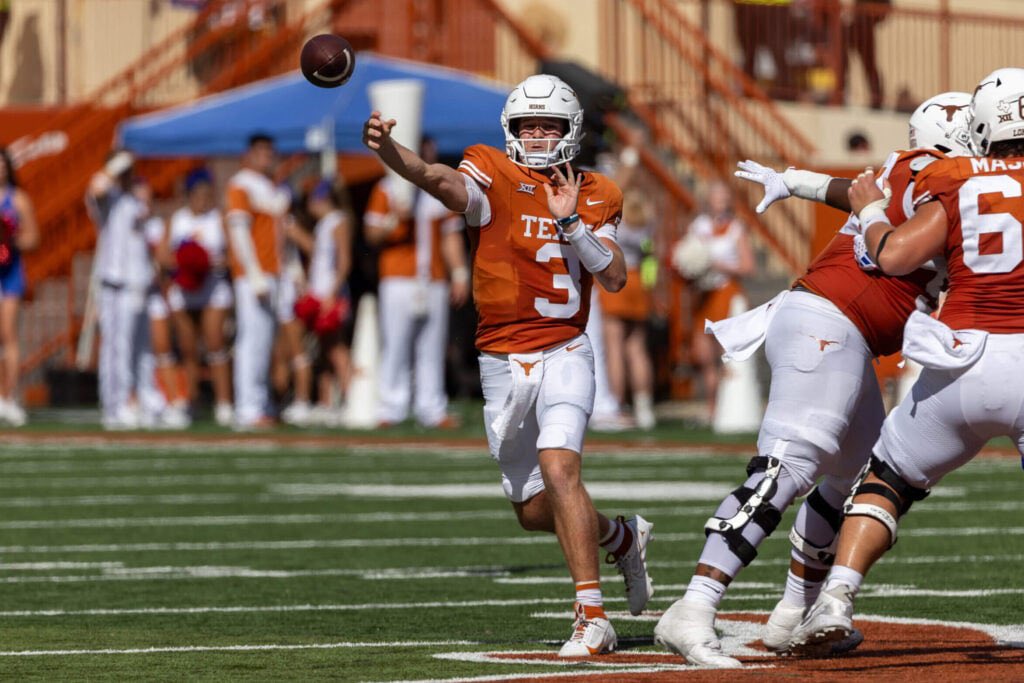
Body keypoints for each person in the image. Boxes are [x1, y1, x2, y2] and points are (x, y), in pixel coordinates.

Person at [653, 91, 973, 667]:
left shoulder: (910, 174)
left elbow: (848, 191)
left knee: (861, 475)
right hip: (831, 322)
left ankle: (790, 615)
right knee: (788, 467)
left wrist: (795, 179)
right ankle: (694, 606)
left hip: (836, 326)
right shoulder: (942, 176)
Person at [362, 74, 654, 656]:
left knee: (560, 469)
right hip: (500, 355)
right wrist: (393, 153)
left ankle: (591, 616)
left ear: (572, 131)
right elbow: (440, 181)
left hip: (565, 348)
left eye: (549, 125)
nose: (538, 136)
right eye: (528, 126)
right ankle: (620, 536)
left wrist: (570, 222)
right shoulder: (490, 169)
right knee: (529, 510)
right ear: (510, 131)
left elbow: (616, 277)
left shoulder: (598, 191)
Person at [790, 69, 1024, 654]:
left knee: (887, 478)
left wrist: (870, 209)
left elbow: (893, 257)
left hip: (962, 360)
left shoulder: (955, 176)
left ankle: (836, 597)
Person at [363, 137, 468, 429]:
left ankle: (432, 408)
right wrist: (393, 220)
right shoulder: (386, 188)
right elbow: (371, 235)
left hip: (433, 279)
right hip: (398, 279)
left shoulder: (439, 191)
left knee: (431, 347)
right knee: (396, 344)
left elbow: (450, 236)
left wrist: (459, 272)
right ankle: (391, 407)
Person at [85, 157, 164, 430]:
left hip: (139, 284)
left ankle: (145, 400)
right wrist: (114, 164)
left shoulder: (133, 200)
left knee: (142, 348)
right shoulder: (110, 198)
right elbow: (96, 188)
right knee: (116, 348)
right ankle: (115, 405)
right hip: (115, 286)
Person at [225, 133, 290, 430]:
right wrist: (252, 273)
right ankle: (248, 406)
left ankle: (260, 402)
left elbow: (280, 236)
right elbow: (238, 232)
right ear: (250, 154)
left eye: (270, 152)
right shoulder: (241, 184)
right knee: (252, 341)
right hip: (256, 274)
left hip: (273, 271)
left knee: (264, 342)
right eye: (262, 152)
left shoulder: (271, 186)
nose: (268, 157)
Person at [162, 167, 234, 426]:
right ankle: (192, 400)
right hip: (185, 289)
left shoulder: (218, 218)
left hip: (212, 288)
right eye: (198, 195)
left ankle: (224, 402)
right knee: (189, 349)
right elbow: (163, 256)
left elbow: (231, 254)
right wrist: (184, 262)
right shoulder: (177, 220)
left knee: (215, 345)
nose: (203, 200)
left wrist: (213, 262)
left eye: (207, 195)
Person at [681, 181, 755, 424]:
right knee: (704, 355)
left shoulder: (736, 228)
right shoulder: (697, 226)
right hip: (703, 294)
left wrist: (720, 265)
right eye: (716, 197)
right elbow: (685, 255)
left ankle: (728, 409)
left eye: (724, 197)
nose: (720, 202)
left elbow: (747, 266)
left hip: (726, 292)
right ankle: (710, 408)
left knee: (725, 352)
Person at [597, 188, 657, 430]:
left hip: (617, 280)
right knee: (637, 349)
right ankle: (645, 408)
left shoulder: (618, 225)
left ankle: (617, 406)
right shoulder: (646, 226)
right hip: (639, 283)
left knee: (614, 348)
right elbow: (650, 259)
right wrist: (649, 286)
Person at [294, 179, 354, 424]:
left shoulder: (338, 221)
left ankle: (351, 400)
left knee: (337, 349)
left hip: (330, 293)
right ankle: (326, 402)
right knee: (324, 350)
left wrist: (333, 293)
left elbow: (344, 261)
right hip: (318, 292)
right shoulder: (323, 224)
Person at [0, 147, 38, 425]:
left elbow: (33, 239)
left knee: (8, 334)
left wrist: (9, 242)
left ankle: (8, 396)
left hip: (10, 273)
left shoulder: (18, 199)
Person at [275, 214, 315, 427]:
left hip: (289, 289)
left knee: (297, 350)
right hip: (274, 287)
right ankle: (282, 401)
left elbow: (312, 247)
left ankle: (303, 400)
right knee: (280, 353)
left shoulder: (288, 221)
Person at [841, 0, 890, 109]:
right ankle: (840, 96)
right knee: (842, 63)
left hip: (865, 29)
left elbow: (885, 10)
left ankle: (877, 101)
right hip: (849, 27)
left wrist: (868, 16)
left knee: (869, 65)